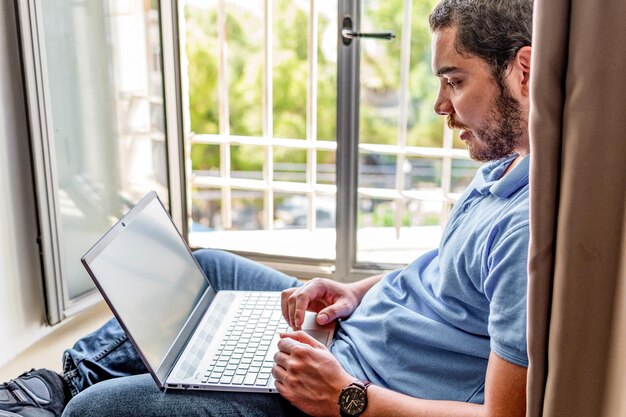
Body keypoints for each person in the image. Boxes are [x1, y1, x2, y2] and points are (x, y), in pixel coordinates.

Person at [0, 0, 533, 415]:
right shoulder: (500, 169)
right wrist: (353, 291)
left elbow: (505, 415)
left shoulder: (526, 230)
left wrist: (347, 398)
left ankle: (65, 397)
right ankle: (52, 387)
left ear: (522, 71)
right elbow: (441, 276)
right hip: (345, 332)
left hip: (347, 383)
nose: (441, 105)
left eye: (454, 81)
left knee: (97, 411)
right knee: (207, 265)